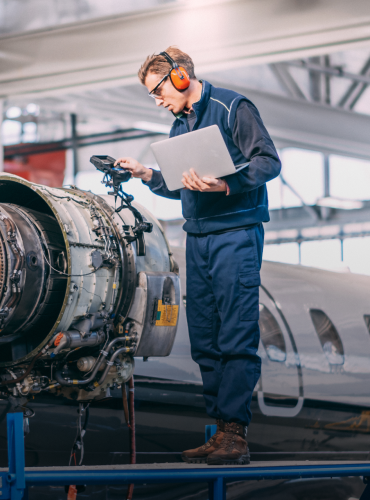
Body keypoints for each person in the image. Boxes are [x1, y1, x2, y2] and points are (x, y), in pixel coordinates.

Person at [116, 47, 281, 466]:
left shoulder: (233, 108)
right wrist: (146, 174)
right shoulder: (180, 128)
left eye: (157, 90)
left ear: (181, 77)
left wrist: (226, 185)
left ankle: (235, 434)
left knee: (236, 333)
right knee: (205, 337)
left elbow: (268, 161)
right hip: (200, 238)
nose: (156, 100)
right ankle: (219, 430)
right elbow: (179, 184)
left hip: (236, 235)